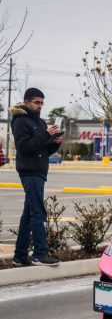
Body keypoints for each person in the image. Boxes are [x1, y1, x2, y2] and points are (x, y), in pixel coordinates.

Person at [10, 88, 62, 266]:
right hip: (29, 171)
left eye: (42, 103)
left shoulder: (39, 122)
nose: (40, 106)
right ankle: (40, 254)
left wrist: (54, 143)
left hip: (39, 170)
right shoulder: (20, 121)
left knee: (28, 214)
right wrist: (45, 134)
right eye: (36, 102)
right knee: (38, 212)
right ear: (26, 102)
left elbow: (43, 150)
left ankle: (19, 256)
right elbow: (24, 147)